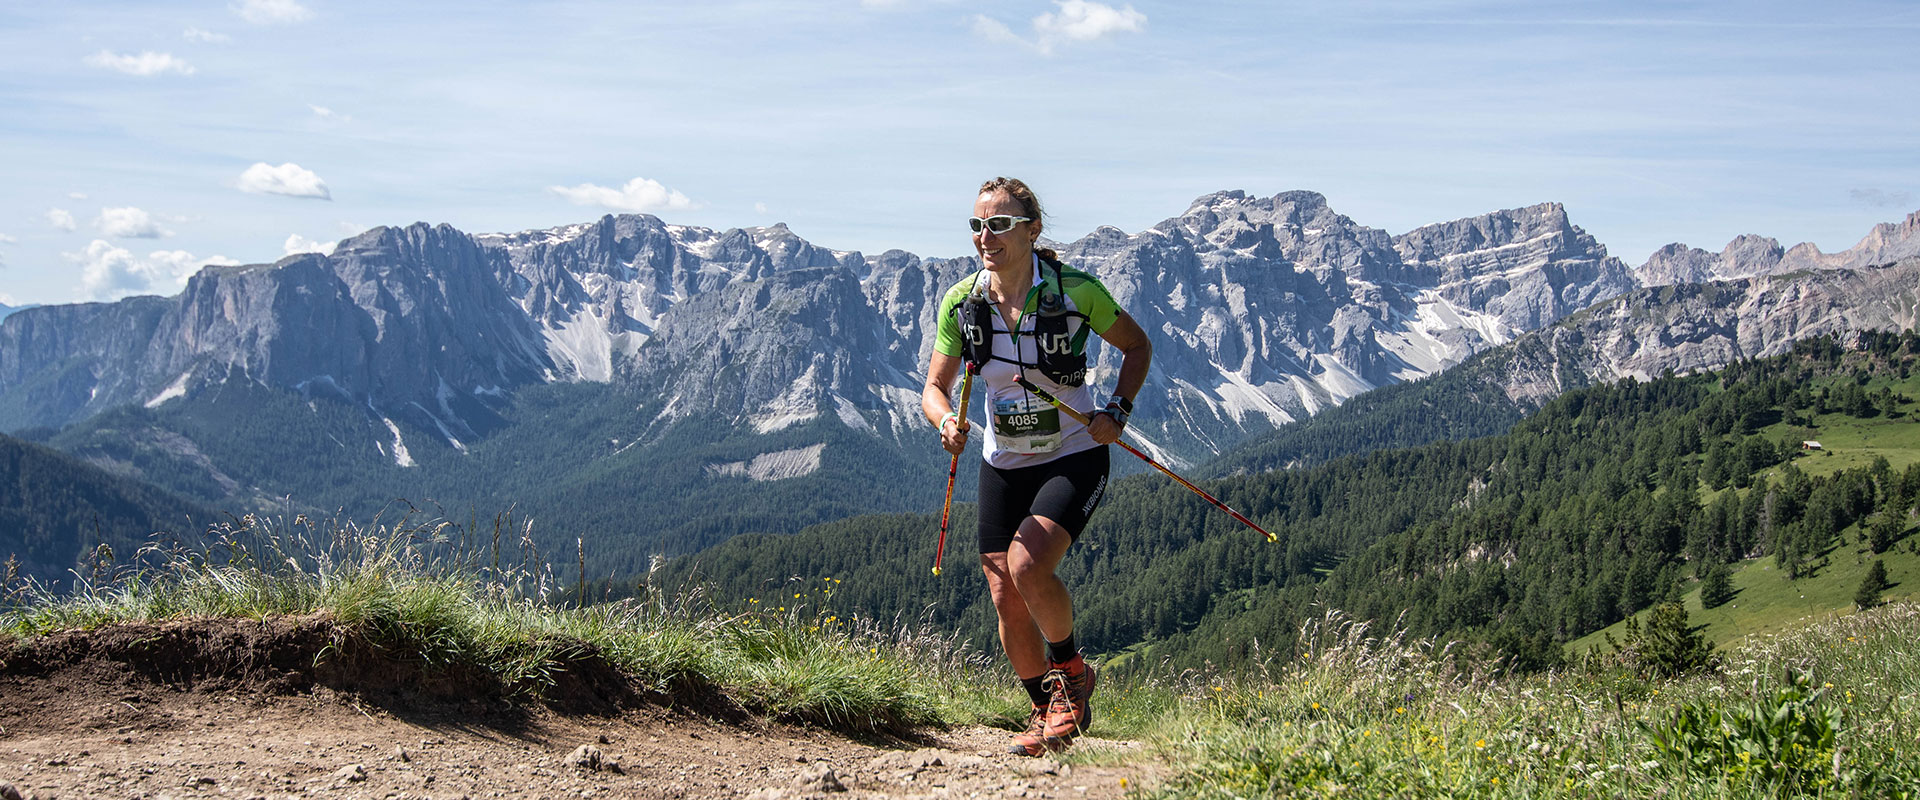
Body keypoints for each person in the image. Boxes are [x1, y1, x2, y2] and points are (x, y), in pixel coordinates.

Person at [921, 177, 1152, 756]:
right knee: (1003, 591)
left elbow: (1137, 346)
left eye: (998, 224)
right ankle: (1042, 707)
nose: (984, 237)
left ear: (1032, 229)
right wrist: (946, 421)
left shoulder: (1075, 291)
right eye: (977, 225)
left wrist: (1117, 411)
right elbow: (933, 387)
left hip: (1075, 453)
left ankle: (1073, 673)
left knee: (1027, 565)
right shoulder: (961, 301)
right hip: (1003, 461)